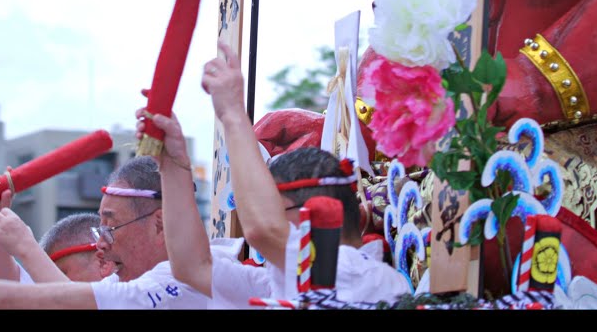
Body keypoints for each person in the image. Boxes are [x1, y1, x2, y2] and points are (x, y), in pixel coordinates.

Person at [144, 42, 409, 307]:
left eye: (273, 208)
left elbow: (263, 230)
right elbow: (191, 265)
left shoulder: (355, 273)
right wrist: (173, 165)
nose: (259, 219)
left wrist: (233, 113)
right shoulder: (281, 278)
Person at [0, 155, 212, 309]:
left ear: (159, 224)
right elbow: (18, 292)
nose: (102, 244)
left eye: (111, 226)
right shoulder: (119, 287)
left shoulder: (188, 283)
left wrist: (25, 249)